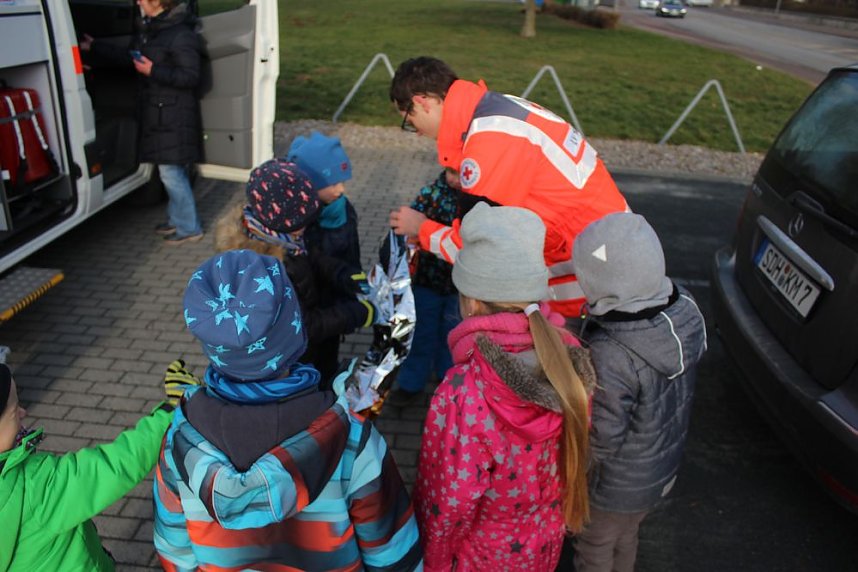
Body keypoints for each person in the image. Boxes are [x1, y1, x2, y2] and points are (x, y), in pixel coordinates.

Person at [154, 249, 423, 570]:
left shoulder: (180, 440)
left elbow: (174, 551)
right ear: (294, 330)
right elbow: (392, 550)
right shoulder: (352, 439)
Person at [413, 202, 597, 571]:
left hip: (478, 557)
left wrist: (432, 562)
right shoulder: (570, 359)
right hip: (543, 548)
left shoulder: (464, 391)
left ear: (472, 301)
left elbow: (450, 501)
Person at [388, 56, 629, 319]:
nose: (417, 132)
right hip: (613, 263)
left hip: (590, 292)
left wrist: (420, 228)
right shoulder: (501, 111)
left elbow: (482, 249)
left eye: (409, 122)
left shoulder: (488, 142)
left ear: (421, 102)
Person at [570, 213, 707, 572]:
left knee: (595, 544)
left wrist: (573, 469)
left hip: (613, 486)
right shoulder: (685, 310)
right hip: (656, 472)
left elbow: (603, 435)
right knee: (626, 536)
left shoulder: (612, 352)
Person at [0, 360, 198, 571]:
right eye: (14, 410)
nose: (23, 412)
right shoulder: (37, 486)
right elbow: (119, 464)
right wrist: (171, 409)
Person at [214, 158, 379, 383]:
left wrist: (346, 276)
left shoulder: (284, 238)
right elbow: (304, 325)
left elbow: (314, 258)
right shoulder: (269, 271)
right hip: (294, 364)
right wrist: (360, 313)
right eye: (303, 221)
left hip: (314, 347)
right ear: (284, 220)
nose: (307, 226)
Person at [81, 0, 204, 245]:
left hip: (172, 115)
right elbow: (131, 58)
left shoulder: (180, 34)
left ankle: (190, 228)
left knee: (171, 173)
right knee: (169, 171)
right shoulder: (152, 29)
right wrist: (95, 47)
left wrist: (153, 71)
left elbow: (190, 76)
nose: (138, 2)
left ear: (158, 3)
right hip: (159, 114)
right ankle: (177, 219)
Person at [387, 168, 461, 407]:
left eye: (461, 173)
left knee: (453, 335)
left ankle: (448, 379)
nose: (454, 179)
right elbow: (406, 224)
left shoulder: (474, 201)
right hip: (426, 281)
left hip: (458, 286)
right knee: (421, 333)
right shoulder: (430, 194)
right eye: (451, 172)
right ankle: (411, 383)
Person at [286, 130, 362, 270]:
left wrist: (356, 277)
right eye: (333, 184)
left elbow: (353, 252)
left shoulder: (344, 208)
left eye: (343, 182)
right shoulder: (299, 221)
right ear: (310, 184)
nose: (341, 190)